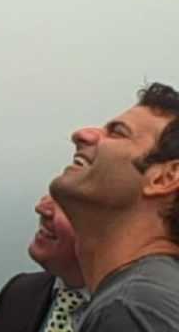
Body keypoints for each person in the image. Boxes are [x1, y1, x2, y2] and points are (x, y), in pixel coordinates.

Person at [50, 82, 179, 331]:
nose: (82, 134)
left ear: (165, 178)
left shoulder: (131, 310)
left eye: (118, 132)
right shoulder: (152, 296)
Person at [0, 195, 88, 332]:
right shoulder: (18, 294)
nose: (41, 208)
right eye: (53, 193)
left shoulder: (123, 313)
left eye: (67, 202)